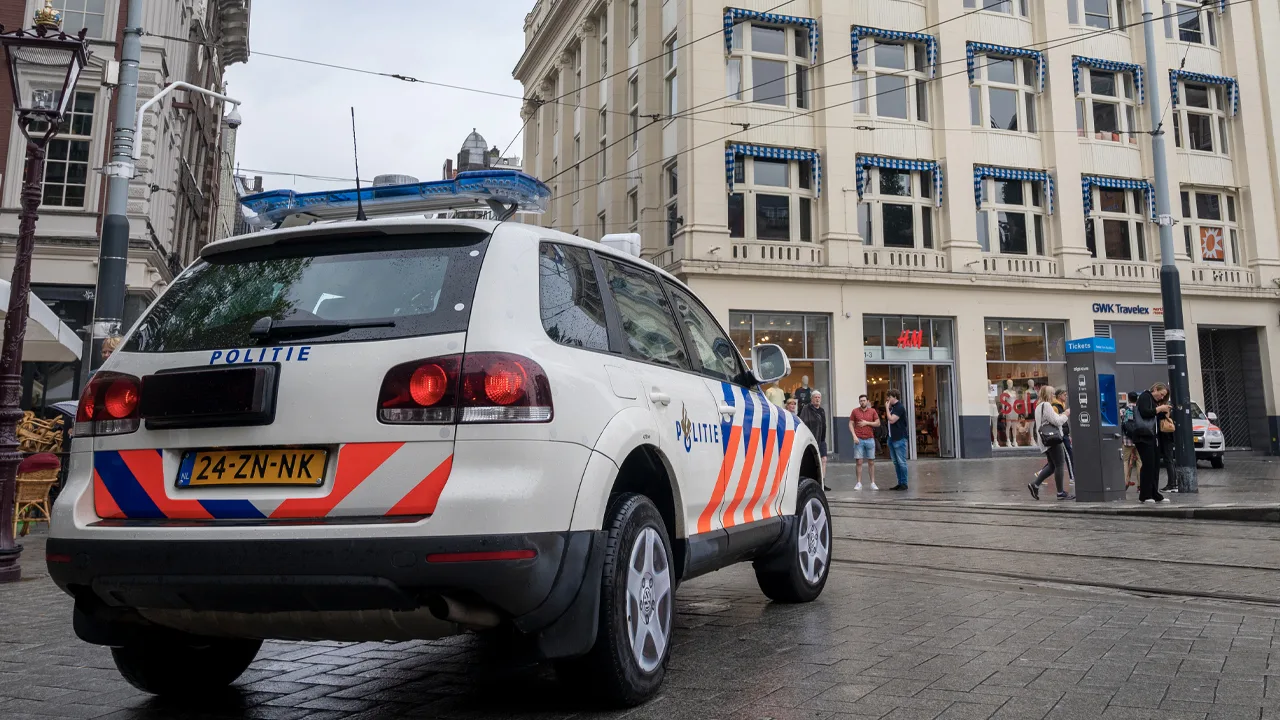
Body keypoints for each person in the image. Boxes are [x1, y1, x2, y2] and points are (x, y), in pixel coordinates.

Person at [1028, 386, 1072, 500]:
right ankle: (1060, 493)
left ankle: (1035, 485)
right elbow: (1057, 421)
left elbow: (1052, 418)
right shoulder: (1047, 405)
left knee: (1052, 466)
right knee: (1059, 464)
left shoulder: (1039, 406)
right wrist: (1066, 414)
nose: (1054, 395)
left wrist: (1062, 415)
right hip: (1053, 439)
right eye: (1052, 393)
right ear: (1047, 395)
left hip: (1045, 440)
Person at [1134, 383, 1172, 504]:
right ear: (1155, 389)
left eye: (1163, 396)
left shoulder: (1153, 401)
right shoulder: (1145, 396)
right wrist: (1159, 409)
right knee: (1148, 465)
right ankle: (1145, 495)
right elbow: (1145, 412)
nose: (1161, 397)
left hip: (1152, 436)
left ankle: (1154, 493)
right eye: (1161, 394)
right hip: (1143, 436)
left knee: (1155, 465)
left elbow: (1154, 416)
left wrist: (1164, 412)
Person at [798, 390, 829, 490]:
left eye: (819, 397)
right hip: (811, 439)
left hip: (822, 439)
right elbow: (803, 421)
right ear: (811, 399)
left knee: (824, 459)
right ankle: (812, 482)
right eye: (815, 397)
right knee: (811, 461)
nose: (817, 399)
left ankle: (822, 482)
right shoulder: (806, 409)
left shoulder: (822, 410)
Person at [849, 394, 880, 491]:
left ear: (867, 401)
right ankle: (858, 483)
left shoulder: (872, 411)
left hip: (870, 439)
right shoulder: (855, 411)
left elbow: (878, 423)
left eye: (864, 400)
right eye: (861, 401)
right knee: (859, 461)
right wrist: (854, 436)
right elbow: (850, 423)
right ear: (859, 402)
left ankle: (873, 483)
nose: (862, 402)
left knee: (871, 461)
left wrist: (867, 423)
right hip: (859, 439)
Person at [884, 389, 909, 491]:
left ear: (894, 397)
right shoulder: (893, 408)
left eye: (889, 397)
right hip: (892, 437)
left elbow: (891, 420)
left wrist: (886, 408)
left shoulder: (899, 407)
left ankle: (904, 483)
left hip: (899, 438)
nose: (887, 399)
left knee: (901, 462)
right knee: (896, 462)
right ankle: (900, 482)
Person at [1054, 388, 1076, 489]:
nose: (1066, 397)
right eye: (1064, 395)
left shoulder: (1061, 406)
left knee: (1059, 458)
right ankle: (1072, 477)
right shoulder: (1055, 406)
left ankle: (1040, 473)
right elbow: (1057, 421)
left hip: (1064, 434)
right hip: (1061, 435)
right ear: (1059, 396)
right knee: (1068, 455)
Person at [1158, 394, 1178, 494]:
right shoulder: (1168, 408)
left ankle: (1172, 484)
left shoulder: (1165, 409)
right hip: (1168, 438)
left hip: (1166, 437)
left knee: (1168, 460)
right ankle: (1173, 483)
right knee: (1169, 460)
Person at [1121, 392, 1141, 489]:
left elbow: (1121, 423)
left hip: (1127, 440)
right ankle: (1140, 485)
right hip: (1138, 439)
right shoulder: (1140, 409)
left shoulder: (1124, 410)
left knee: (1125, 460)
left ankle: (1125, 482)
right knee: (1139, 461)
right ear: (1137, 399)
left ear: (1128, 399)